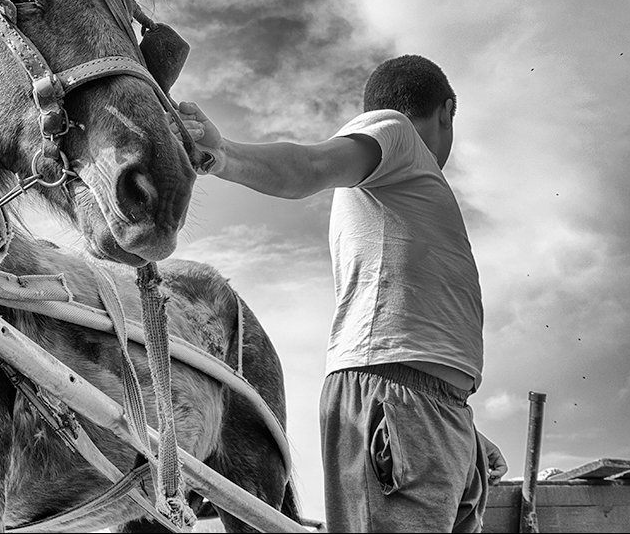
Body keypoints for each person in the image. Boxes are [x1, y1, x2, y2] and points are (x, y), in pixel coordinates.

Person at [175, 54, 508, 532]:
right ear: (447, 110)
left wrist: (461, 424)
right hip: (399, 399)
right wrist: (223, 153)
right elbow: (310, 165)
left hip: (434, 409)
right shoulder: (395, 133)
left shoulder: (410, 183)